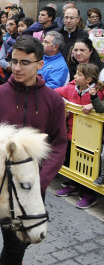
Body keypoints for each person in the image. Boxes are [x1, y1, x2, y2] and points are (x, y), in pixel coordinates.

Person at [0, 36, 67, 265]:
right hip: (4, 189)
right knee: (15, 245)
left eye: (25, 62)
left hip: (35, 188)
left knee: (22, 241)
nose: (18, 68)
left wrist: (41, 179)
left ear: (40, 64)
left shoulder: (54, 101)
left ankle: (1, 264)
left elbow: (59, 144)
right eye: (14, 61)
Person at [54, 63, 103, 209]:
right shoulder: (70, 88)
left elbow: (100, 105)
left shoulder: (98, 91)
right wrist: (62, 101)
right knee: (72, 159)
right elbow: (56, 92)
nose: (74, 76)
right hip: (72, 132)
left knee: (88, 164)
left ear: (88, 80)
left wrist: (93, 105)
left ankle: (89, 194)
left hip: (91, 137)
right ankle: (74, 185)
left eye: (78, 74)